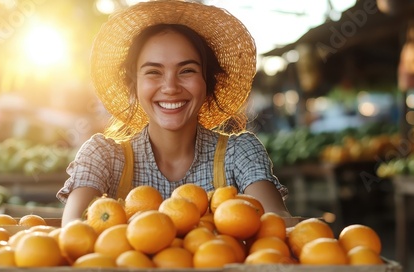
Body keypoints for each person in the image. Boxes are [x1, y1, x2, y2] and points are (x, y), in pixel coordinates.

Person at [57, 0, 294, 227]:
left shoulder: (238, 153)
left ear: (207, 82)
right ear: (134, 84)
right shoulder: (103, 156)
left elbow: (276, 224)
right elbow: (75, 231)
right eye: (153, 72)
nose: (170, 87)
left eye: (187, 70)